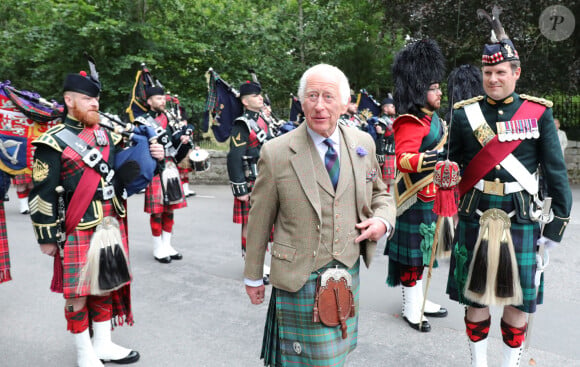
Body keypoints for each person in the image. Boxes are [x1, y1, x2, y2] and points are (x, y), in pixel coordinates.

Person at [244, 63, 395, 366]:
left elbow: (382, 193)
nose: (319, 105)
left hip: (347, 272)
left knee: (336, 355)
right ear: (301, 102)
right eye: (312, 96)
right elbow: (259, 219)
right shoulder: (276, 152)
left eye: (328, 96)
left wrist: (382, 221)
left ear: (344, 102)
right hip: (298, 275)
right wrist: (252, 276)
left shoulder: (362, 143)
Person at [446, 7, 572, 367]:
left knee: (519, 303)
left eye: (500, 72)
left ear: (516, 73)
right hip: (475, 214)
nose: (493, 79)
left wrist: (555, 227)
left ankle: (510, 364)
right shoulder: (464, 113)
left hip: (521, 217)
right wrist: (445, 178)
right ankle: (479, 363)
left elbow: (555, 172)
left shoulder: (538, 113)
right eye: (488, 72)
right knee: (475, 300)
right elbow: (452, 167)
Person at [29, 66, 164, 366]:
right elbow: (42, 192)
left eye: (96, 100)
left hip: (108, 221)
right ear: (69, 100)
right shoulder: (51, 141)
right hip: (76, 224)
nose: (95, 104)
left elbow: (122, 172)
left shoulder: (105, 135)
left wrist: (154, 157)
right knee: (77, 291)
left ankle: (102, 343)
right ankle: (83, 351)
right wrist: (46, 236)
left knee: (105, 282)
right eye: (88, 99)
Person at [384, 39, 449, 332]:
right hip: (413, 198)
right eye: (434, 88)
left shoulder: (434, 120)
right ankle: (412, 307)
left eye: (438, 87)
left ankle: (421, 298)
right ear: (420, 90)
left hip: (431, 197)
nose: (439, 92)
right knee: (413, 255)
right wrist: (434, 158)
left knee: (425, 252)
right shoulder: (410, 121)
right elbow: (403, 159)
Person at [226, 81, 273, 268]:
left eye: (260, 94)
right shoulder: (242, 124)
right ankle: (253, 264)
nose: (260, 98)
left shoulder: (264, 119)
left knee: (266, 224)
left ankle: (262, 262)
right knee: (252, 225)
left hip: (267, 178)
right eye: (255, 96)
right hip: (251, 180)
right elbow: (234, 157)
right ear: (245, 101)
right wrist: (240, 188)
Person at [140, 86, 190, 264]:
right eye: (159, 98)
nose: (163, 101)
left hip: (170, 166)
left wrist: (184, 141)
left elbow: (176, 143)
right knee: (157, 212)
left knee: (170, 209)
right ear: (149, 101)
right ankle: (157, 247)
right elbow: (139, 148)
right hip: (154, 169)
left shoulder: (170, 119)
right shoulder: (142, 121)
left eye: (163, 98)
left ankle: (167, 245)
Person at [375, 95, 397, 193]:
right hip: (386, 154)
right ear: (385, 108)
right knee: (385, 182)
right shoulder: (382, 121)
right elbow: (379, 140)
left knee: (392, 181)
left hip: (394, 154)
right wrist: (380, 157)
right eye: (392, 106)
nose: (395, 108)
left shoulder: (394, 120)